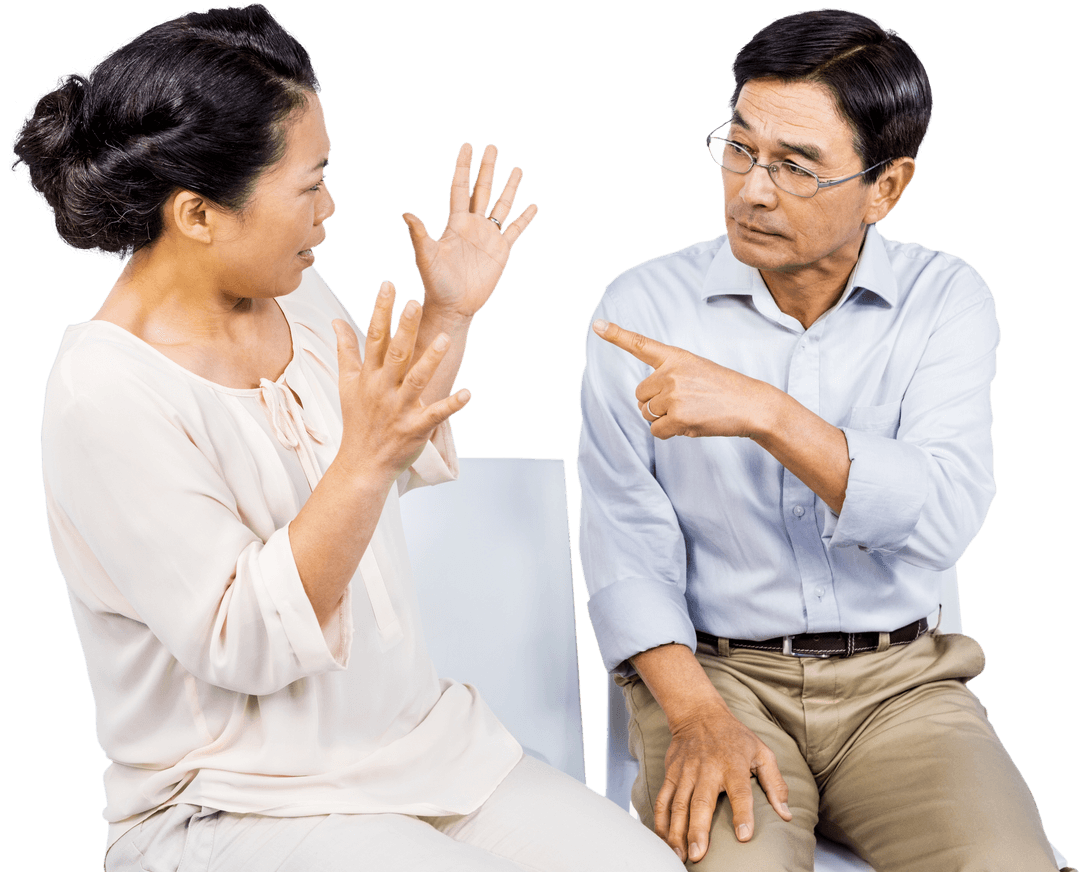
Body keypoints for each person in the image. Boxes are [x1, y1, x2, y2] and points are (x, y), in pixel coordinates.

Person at [16, 5, 684, 870]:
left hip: (418, 750)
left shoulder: (291, 292)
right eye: (309, 184)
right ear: (197, 215)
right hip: (233, 802)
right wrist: (364, 459)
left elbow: (389, 451)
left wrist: (448, 314)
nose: (331, 208)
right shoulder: (103, 394)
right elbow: (245, 640)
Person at [578, 8, 1071, 872]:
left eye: (795, 167)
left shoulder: (945, 298)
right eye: (739, 149)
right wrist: (695, 717)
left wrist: (768, 412)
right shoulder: (641, 308)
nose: (753, 189)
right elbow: (627, 546)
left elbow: (943, 517)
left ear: (887, 186)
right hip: (719, 681)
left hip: (902, 687)